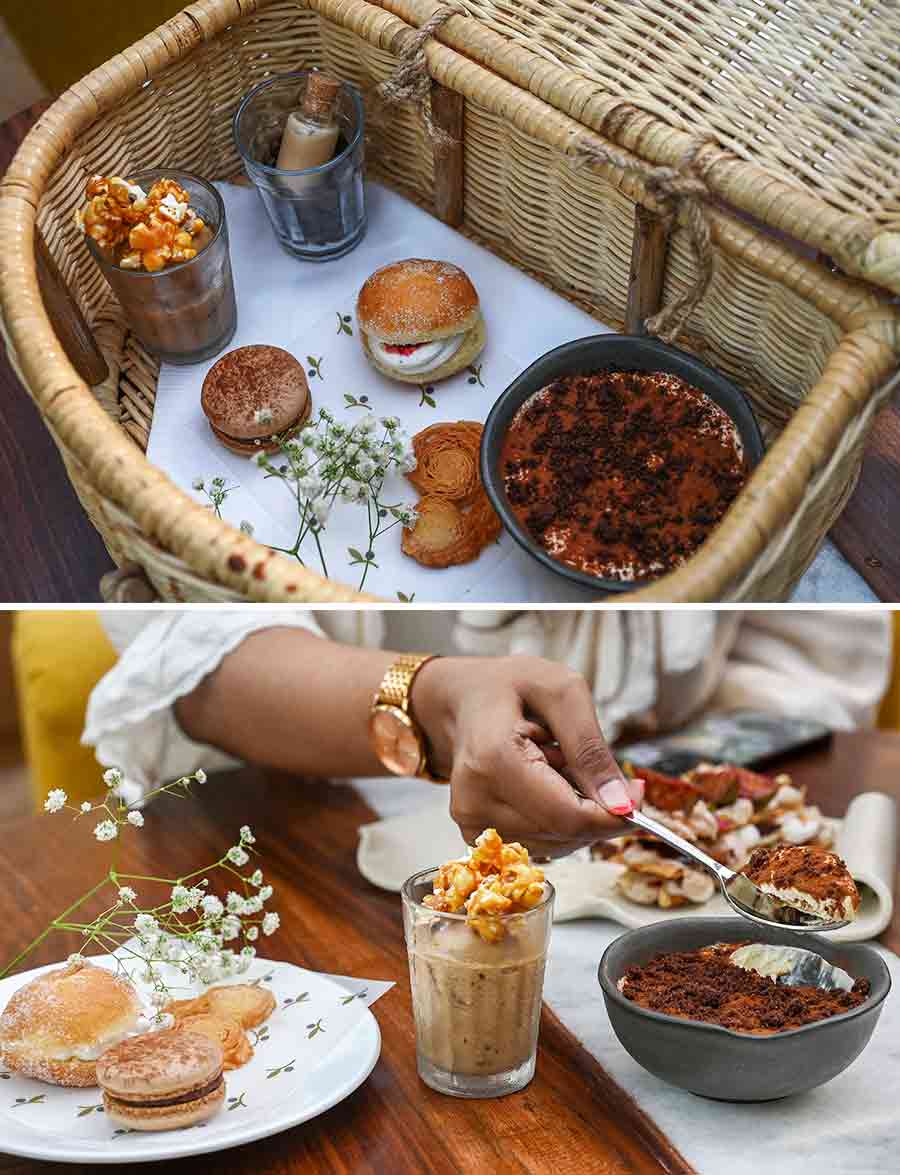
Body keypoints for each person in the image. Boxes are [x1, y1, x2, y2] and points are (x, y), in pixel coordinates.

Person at [83, 610, 891, 857]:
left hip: (669, 834)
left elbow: (805, 658)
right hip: (327, 841)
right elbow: (190, 670)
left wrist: (705, 792)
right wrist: (434, 702)